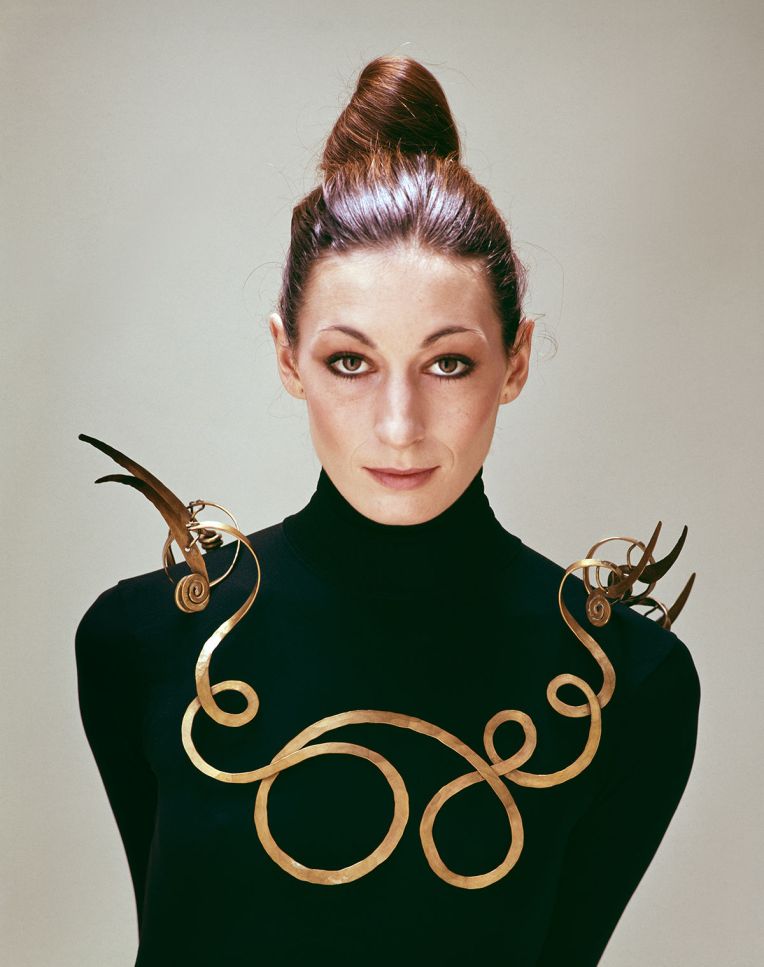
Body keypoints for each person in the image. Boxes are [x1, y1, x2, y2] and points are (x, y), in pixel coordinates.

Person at [74, 55, 701, 966]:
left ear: (516, 361)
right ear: (287, 358)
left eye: (448, 363)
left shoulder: (627, 686)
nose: (400, 426)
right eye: (350, 362)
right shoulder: (143, 643)